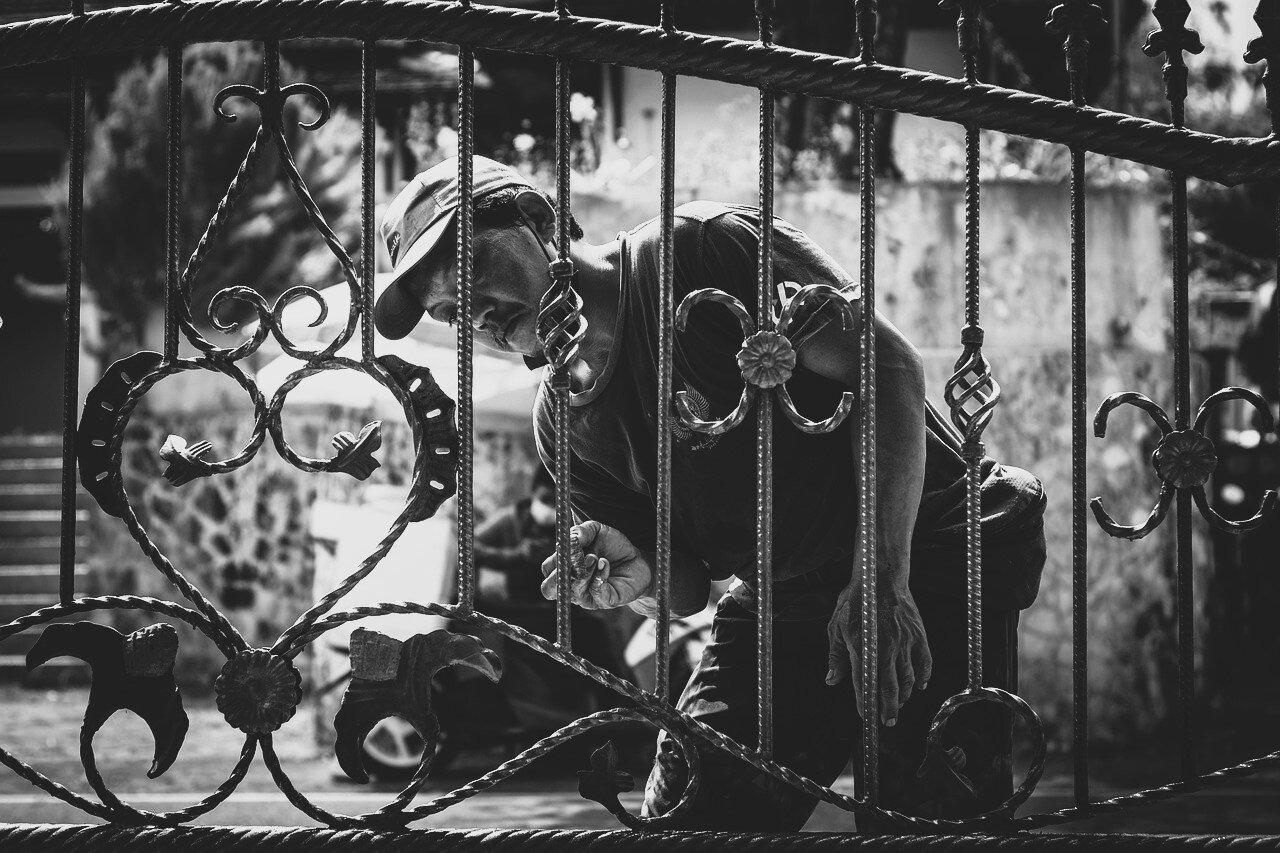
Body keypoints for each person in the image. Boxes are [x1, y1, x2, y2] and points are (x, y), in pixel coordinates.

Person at [374, 155, 1047, 829]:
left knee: (929, 822)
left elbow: (888, 366)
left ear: (539, 221)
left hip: (927, 548)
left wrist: (880, 575)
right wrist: (635, 574)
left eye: (472, 273)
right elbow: (690, 586)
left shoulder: (698, 254)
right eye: (449, 311)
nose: (477, 316)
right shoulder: (563, 423)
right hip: (785, 593)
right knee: (693, 816)